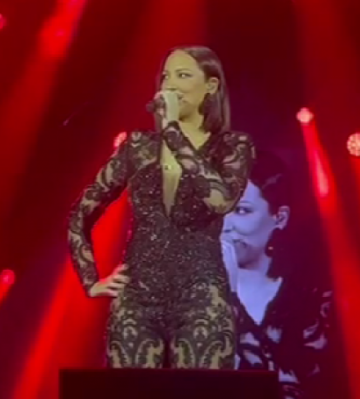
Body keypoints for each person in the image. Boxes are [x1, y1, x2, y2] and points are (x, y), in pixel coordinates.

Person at [67, 45, 256, 369]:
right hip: (136, 296)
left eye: (182, 75)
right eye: (166, 76)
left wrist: (172, 132)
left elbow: (220, 199)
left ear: (211, 86)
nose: (170, 85)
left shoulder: (232, 146)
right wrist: (90, 280)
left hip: (201, 293)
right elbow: (79, 214)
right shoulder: (138, 147)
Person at [222, 152, 336, 399]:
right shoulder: (186, 297)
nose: (224, 224)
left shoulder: (312, 303)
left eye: (241, 210)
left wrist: (228, 296)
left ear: (279, 218)